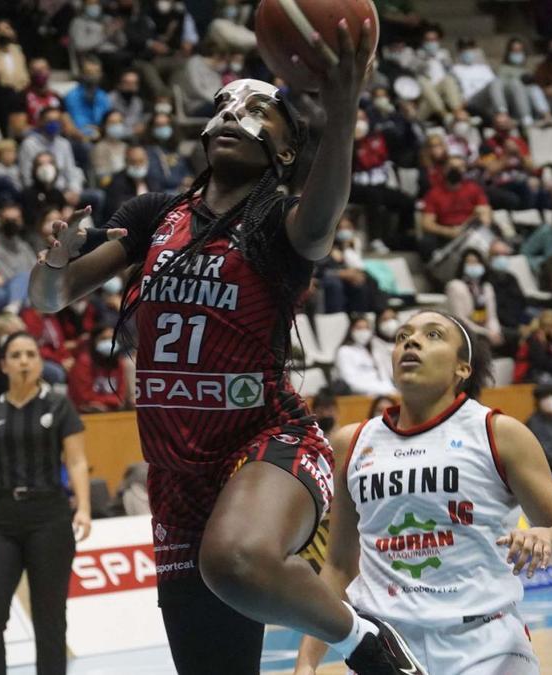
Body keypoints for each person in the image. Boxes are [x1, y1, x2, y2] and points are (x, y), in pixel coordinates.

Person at [28, 22, 425, 673]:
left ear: (288, 151)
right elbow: (52, 294)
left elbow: (324, 213)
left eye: (258, 109)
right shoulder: (156, 213)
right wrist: (52, 261)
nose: (234, 115)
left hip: (268, 441)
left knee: (235, 557)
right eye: (224, 107)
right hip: (176, 474)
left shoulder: (279, 222)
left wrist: (345, 100)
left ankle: (362, 639)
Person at [295, 310, 552, 674]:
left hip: (486, 646)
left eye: (433, 335)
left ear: (462, 368)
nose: (411, 342)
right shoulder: (351, 442)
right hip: (386, 649)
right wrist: (306, 664)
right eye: (403, 336)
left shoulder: (499, 434)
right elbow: (338, 566)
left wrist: (548, 539)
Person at [0, 332, 91, 674]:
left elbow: (77, 462)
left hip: (49, 515)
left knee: (49, 617)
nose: (24, 361)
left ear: (40, 362)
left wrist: (84, 508)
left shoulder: (59, 406)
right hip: (2, 519)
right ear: (3, 365)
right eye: (16, 355)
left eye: (31, 354)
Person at [67, 323, 134, 413]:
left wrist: (109, 402)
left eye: (112, 339)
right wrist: (110, 401)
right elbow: (84, 396)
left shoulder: (119, 363)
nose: (109, 343)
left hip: (112, 408)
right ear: (94, 341)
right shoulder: (83, 363)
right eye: (104, 339)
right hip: (86, 411)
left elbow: (121, 393)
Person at [335, 315, 396, 397]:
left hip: (383, 391)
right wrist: (381, 390)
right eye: (359, 328)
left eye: (366, 328)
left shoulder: (371, 350)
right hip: (360, 395)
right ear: (351, 330)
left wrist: (388, 389)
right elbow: (350, 381)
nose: (363, 332)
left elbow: (383, 376)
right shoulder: (344, 351)